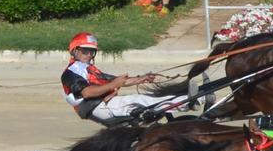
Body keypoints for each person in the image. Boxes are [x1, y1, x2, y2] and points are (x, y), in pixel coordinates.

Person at [60, 32, 188, 123]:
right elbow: (87, 93)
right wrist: (114, 84)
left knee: (149, 110)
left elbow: (117, 80)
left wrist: (141, 78)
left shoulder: (89, 69)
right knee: (140, 100)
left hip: (104, 104)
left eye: (91, 52)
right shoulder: (71, 72)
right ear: (75, 51)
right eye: (85, 51)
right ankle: (191, 101)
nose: (89, 55)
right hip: (96, 107)